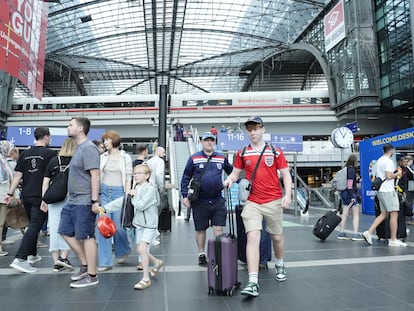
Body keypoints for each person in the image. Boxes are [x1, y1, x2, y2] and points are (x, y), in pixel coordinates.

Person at [223, 117, 292, 297]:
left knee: (276, 238)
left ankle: (280, 263)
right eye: (249, 130)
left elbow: (285, 174)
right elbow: (236, 173)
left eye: (255, 129)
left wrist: (288, 195)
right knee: (252, 237)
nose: (252, 132)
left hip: (273, 200)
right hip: (252, 202)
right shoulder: (242, 152)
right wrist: (230, 180)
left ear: (263, 129)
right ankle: (253, 281)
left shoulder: (275, 152)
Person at [102, 163, 164, 290]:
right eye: (135, 173)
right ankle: (157, 263)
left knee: (141, 249)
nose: (136, 175)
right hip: (139, 224)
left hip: (149, 225)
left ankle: (146, 279)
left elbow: (140, 205)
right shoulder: (136, 187)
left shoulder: (150, 189)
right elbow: (124, 201)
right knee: (141, 250)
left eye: (139, 173)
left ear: (147, 175)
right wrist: (105, 208)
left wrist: (134, 196)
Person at [6, 127, 56, 273]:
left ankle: (32, 254)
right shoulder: (50, 154)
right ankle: (20, 259)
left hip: (25, 195)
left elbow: (17, 176)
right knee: (35, 226)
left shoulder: (25, 153)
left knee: (32, 225)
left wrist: (9, 193)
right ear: (46, 137)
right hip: (40, 196)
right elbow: (52, 178)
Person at [58, 117, 101, 288]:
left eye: (70, 125)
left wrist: (94, 201)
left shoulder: (89, 148)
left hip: (85, 200)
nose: (68, 127)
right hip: (73, 199)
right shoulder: (79, 148)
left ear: (80, 128)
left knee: (87, 236)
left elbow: (95, 175)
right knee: (64, 231)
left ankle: (92, 275)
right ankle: (85, 265)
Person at [181, 132, 233, 266]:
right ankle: (201, 254)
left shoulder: (221, 158)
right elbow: (186, 177)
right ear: (202, 142)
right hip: (199, 201)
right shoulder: (194, 158)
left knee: (218, 229)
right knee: (200, 229)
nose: (209, 142)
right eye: (206, 140)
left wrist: (232, 180)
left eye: (212, 140)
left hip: (217, 199)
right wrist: (184, 195)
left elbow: (232, 172)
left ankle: (217, 254)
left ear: (214, 142)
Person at [40, 137, 77, 272]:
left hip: (54, 198)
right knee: (69, 228)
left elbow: (45, 181)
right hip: (71, 198)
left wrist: (44, 199)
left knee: (54, 228)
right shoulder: (76, 162)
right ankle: (63, 257)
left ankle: (56, 262)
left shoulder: (54, 161)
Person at [97, 130, 132, 272]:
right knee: (103, 228)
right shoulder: (102, 157)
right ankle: (105, 262)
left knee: (119, 228)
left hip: (119, 193)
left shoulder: (125, 157)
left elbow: (128, 177)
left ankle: (123, 249)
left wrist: (127, 195)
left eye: (107, 140)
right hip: (105, 193)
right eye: (104, 140)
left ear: (114, 140)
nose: (105, 143)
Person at [362, 143, 406, 247]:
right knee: (394, 213)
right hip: (388, 191)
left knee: (384, 214)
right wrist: (397, 174)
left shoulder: (379, 160)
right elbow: (389, 176)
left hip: (381, 191)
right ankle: (393, 240)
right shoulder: (389, 161)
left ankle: (369, 232)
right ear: (391, 151)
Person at [336, 154, 364, 241]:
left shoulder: (345, 169)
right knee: (356, 214)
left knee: (344, 213)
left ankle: (341, 232)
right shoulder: (351, 170)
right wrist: (352, 195)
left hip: (343, 192)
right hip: (350, 194)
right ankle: (355, 234)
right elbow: (350, 184)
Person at [146, 146, 166, 246]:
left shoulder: (148, 161)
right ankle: (153, 237)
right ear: (158, 152)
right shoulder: (160, 161)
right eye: (163, 152)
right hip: (154, 189)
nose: (164, 154)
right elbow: (159, 175)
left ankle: (150, 236)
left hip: (147, 188)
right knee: (155, 213)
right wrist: (161, 187)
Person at [0, 141, 16, 256]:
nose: (11, 151)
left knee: (1, 223)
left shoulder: (4, 161)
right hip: (2, 196)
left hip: (4, 196)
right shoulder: (2, 162)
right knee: (0, 223)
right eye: (10, 148)